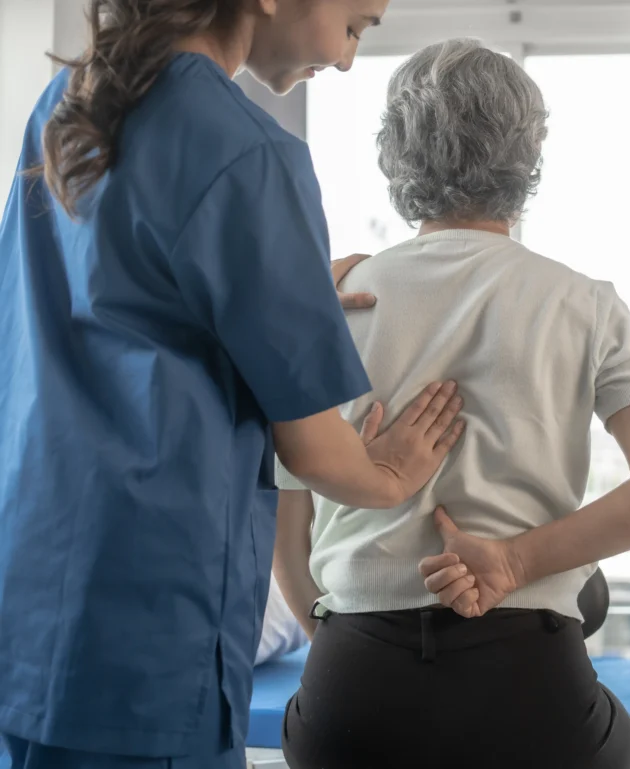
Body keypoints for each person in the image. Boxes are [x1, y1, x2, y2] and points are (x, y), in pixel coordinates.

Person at [0, 2, 470, 769]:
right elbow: (317, 449)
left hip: (31, 596)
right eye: (356, 25)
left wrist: (282, 287)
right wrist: (387, 474)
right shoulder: (253, 154)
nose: (350, 59)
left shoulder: (69, 104)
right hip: (149, 620)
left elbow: (114, 295)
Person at [273, 39, 630, 769]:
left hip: (350, 690)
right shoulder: (584, 304)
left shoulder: (329, 303)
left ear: (396, 153)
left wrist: (355, 653)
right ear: (528, 156)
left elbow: (289, 544)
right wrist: (513, 561)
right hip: (527, 684)